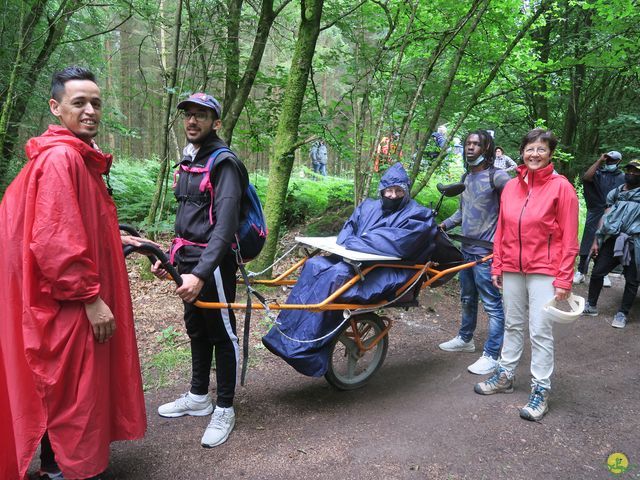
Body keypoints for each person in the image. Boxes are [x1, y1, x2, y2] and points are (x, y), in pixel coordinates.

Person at [0, 66, 147, 479]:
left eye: (96, 103)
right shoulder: (63, 157)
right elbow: (53, 242)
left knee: (66, 386)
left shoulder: (73, 158)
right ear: (56, 106)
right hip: (67, 302)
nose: (89, 111)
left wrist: (112, 236)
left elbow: (70, 222)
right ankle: (65, 469)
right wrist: (90, 299)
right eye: (79, 102)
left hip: (65, 297)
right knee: (71, 390)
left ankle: (59, 465)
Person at [262, 163, 438, 376]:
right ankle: (283, 336)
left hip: (391, 271)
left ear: (406, 191)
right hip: (359, 263)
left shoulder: (418, 215)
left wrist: (358, 241)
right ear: (381, 190)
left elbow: (395, 242)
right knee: (314, 265)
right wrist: (357, 241)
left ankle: (306, 351)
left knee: (336, 277)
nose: (392, 195)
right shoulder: (369, 206)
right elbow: (347, 231)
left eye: (398, 191)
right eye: (388, 191)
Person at [151, 92, 248, 448]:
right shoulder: (191, 159)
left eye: (201, 116)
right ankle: (198, 396)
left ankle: (224, 407)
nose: (192, 121)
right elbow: (188, 218)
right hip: (187, 260)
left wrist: (202, 273)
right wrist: (172, 262)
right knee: (196, 328)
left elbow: (224, 227)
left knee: (222, 333)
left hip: (213, 265)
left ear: (216, 122)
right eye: (188, 115)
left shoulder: (223, 163)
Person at [475, 128, 579, 422]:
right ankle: (505, 375)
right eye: (530, 149)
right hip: (511, 266)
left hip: (544, 269)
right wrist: (498, 264)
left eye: (541, 149)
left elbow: (570, 239)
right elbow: (502, 230)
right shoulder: (510, 187)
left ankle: (540, 389)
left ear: (550, 154)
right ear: (522, 152)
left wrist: (564, 279)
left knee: (540, 330)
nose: (534, 154)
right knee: (513, 323)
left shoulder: (562, 188)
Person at [438, 130, 509, 375]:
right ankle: (465, 339)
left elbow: (513, 210)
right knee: (467, 299)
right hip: (466, 250)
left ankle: (492, 354)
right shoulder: (466, 177)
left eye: (476, 144)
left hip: (487, 254)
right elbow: (462, 212)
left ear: (487, 148)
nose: (470, 148)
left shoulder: (498, 178)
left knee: (492, 304)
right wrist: (443, 225)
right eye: (468, 143)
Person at [582, 159, 640, 328]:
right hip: (613, 239)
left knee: (632, 279)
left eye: (636, 172)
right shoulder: (615, 193)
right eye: (630, 171)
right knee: (598, 271)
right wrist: (596, 241)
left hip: (635, 242)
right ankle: (591, 305)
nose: (632, 174)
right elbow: (605, 217)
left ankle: (622, 313)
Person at [573, 151, 625, 287]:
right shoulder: (598, 173)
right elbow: (586, 178)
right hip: (595, 210)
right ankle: (581, 272)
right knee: (588, 240)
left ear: (619, 162)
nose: (610, 163)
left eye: (613, 161)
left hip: (613, 213)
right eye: (608, 160)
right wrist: (599, 160)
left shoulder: (622, 177)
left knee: (606, 241)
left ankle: (603, 273)